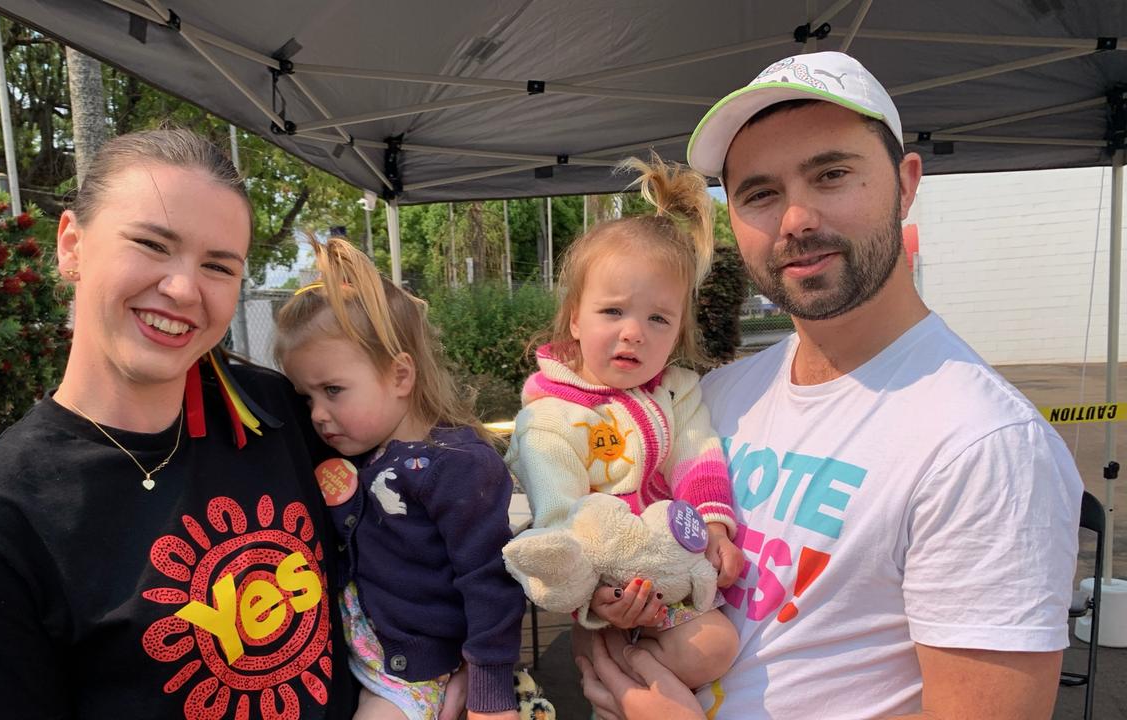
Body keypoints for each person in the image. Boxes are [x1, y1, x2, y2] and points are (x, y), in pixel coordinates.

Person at [577, 50, 1082, 720]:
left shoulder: (984, 446)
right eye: (759, 193)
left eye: (832, 175)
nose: (795, 220)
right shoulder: (723, 398)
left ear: (906, 183)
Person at [0, 127, 359, 719]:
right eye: (153, 245)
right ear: (72, 245)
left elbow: (410, 528)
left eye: (218, 266)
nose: (183, 289)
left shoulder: (274, 411)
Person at [506, 156, 744, 692]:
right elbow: (559, 516)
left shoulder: (676, 391)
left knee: (716, 646)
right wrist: (595, 597)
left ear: (679, 328)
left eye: (658, 318)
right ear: (575, 316)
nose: (634, 332)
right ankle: (626, 686)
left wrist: (715, 528)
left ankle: (620, 686)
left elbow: (697, 456)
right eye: (613, 311)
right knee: (702, 647)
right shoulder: (550, 417)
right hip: (609, 586)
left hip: (668, 575)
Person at [275, 237, 525, 720]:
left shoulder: (455, 464)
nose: (319, 415)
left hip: (415, 677)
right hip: (364, 663)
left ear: (399, 376)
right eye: (307, 398)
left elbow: (490, 579)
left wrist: (490, 695)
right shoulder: (361, 452)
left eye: (333, 390)